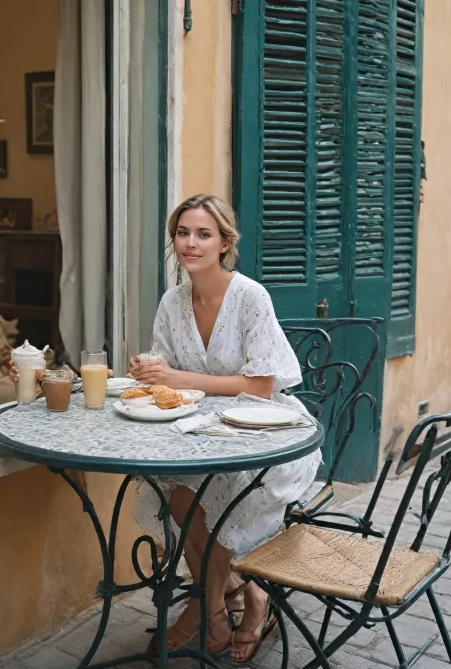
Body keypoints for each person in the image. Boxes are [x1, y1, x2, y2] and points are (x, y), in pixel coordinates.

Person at [128, 194, 321, 663]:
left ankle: (216, 611)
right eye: (182, 233)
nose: (191, 244)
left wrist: (177, 379)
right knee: (177, 494)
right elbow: (168, 370)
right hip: (200, 430)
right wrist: (150, 371)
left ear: (223, 243)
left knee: (226, 493)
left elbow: (259, 386)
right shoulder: (172, 301)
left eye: (203, 234)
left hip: (264, 436)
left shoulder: (251, 297)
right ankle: (230, 601)